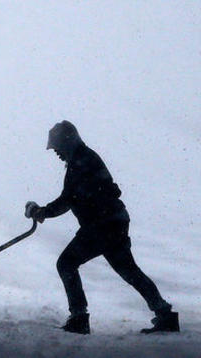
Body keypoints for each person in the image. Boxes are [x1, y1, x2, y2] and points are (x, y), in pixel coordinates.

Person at [25, 120, 179, 335]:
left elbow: (69, 198)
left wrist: (43, 212)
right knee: (129, 271)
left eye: (58, 147)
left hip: (102, 225)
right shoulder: (82, 158)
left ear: (67, 143)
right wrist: (45, 211)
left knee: (67, 263)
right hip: (112, 222)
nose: (56, 153)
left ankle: (79, 317)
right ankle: (165, 314)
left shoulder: (82, 161)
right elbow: (74, 197)